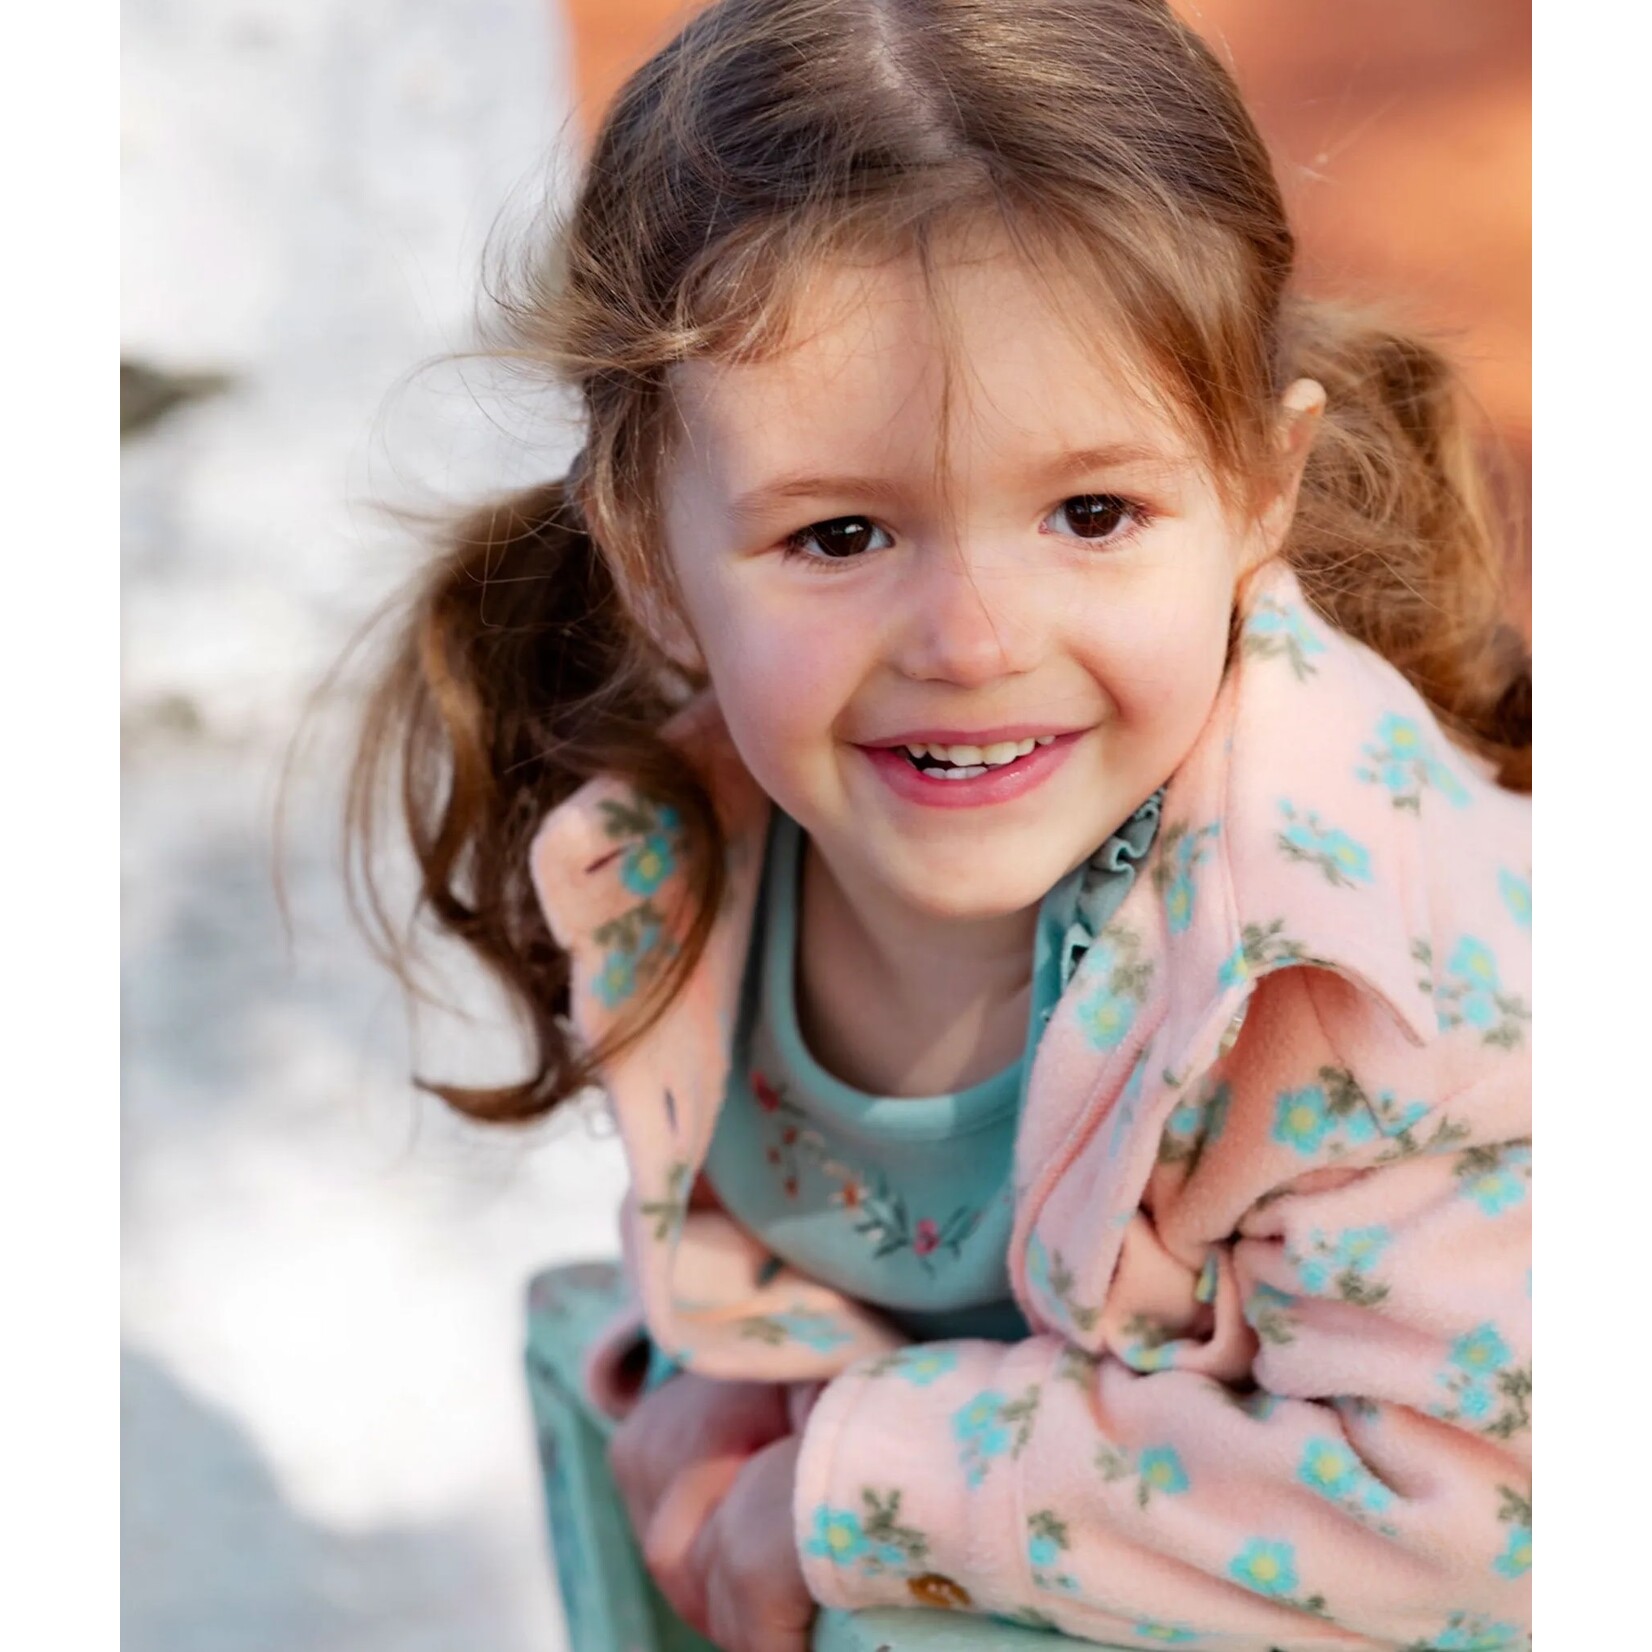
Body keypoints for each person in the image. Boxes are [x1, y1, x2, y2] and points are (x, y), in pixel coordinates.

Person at [347, 2, 1532, 1648]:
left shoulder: (1347, 963)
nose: (973, 643)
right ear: (646, 552)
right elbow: (771, 1238)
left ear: (1260, 490)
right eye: (840, 536)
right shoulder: (675, 858)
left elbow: (1480, 1517)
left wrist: (845, 1477)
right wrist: (724, 1380)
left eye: (1092, 513)